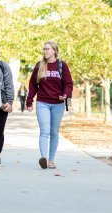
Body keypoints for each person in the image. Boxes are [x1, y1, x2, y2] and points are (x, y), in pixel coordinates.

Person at [26, 41, 73, 169]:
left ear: (54, 51)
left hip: (58, 104)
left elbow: (68, 84)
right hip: (43, 103)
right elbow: (32, 85)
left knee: (54, 132)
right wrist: (29, 101)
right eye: (44, 49)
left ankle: (51, 160)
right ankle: (44, 158)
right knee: (44, 130)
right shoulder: (39, 65)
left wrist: (65, 94)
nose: (45, 51)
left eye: (47, 49)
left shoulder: (62, 65)